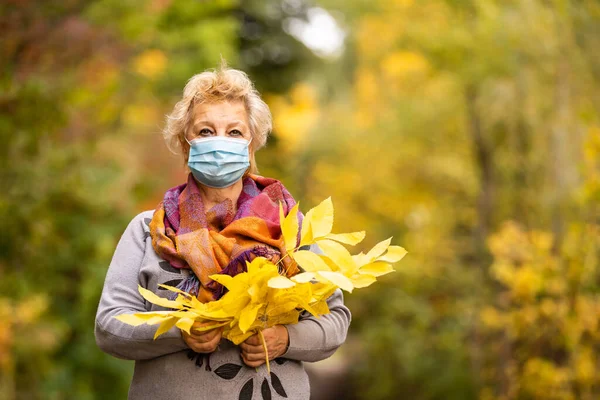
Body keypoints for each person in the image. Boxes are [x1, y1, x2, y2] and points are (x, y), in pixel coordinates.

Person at [94, 63, 351, 400]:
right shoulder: (147, 230)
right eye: (205, 131)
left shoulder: (291, 228)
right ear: (186, 145)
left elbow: (335, 320)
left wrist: (285, 339)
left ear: (252, 143)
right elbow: (109, 326)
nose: (220, 143)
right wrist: (179, 331)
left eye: (234, 132)